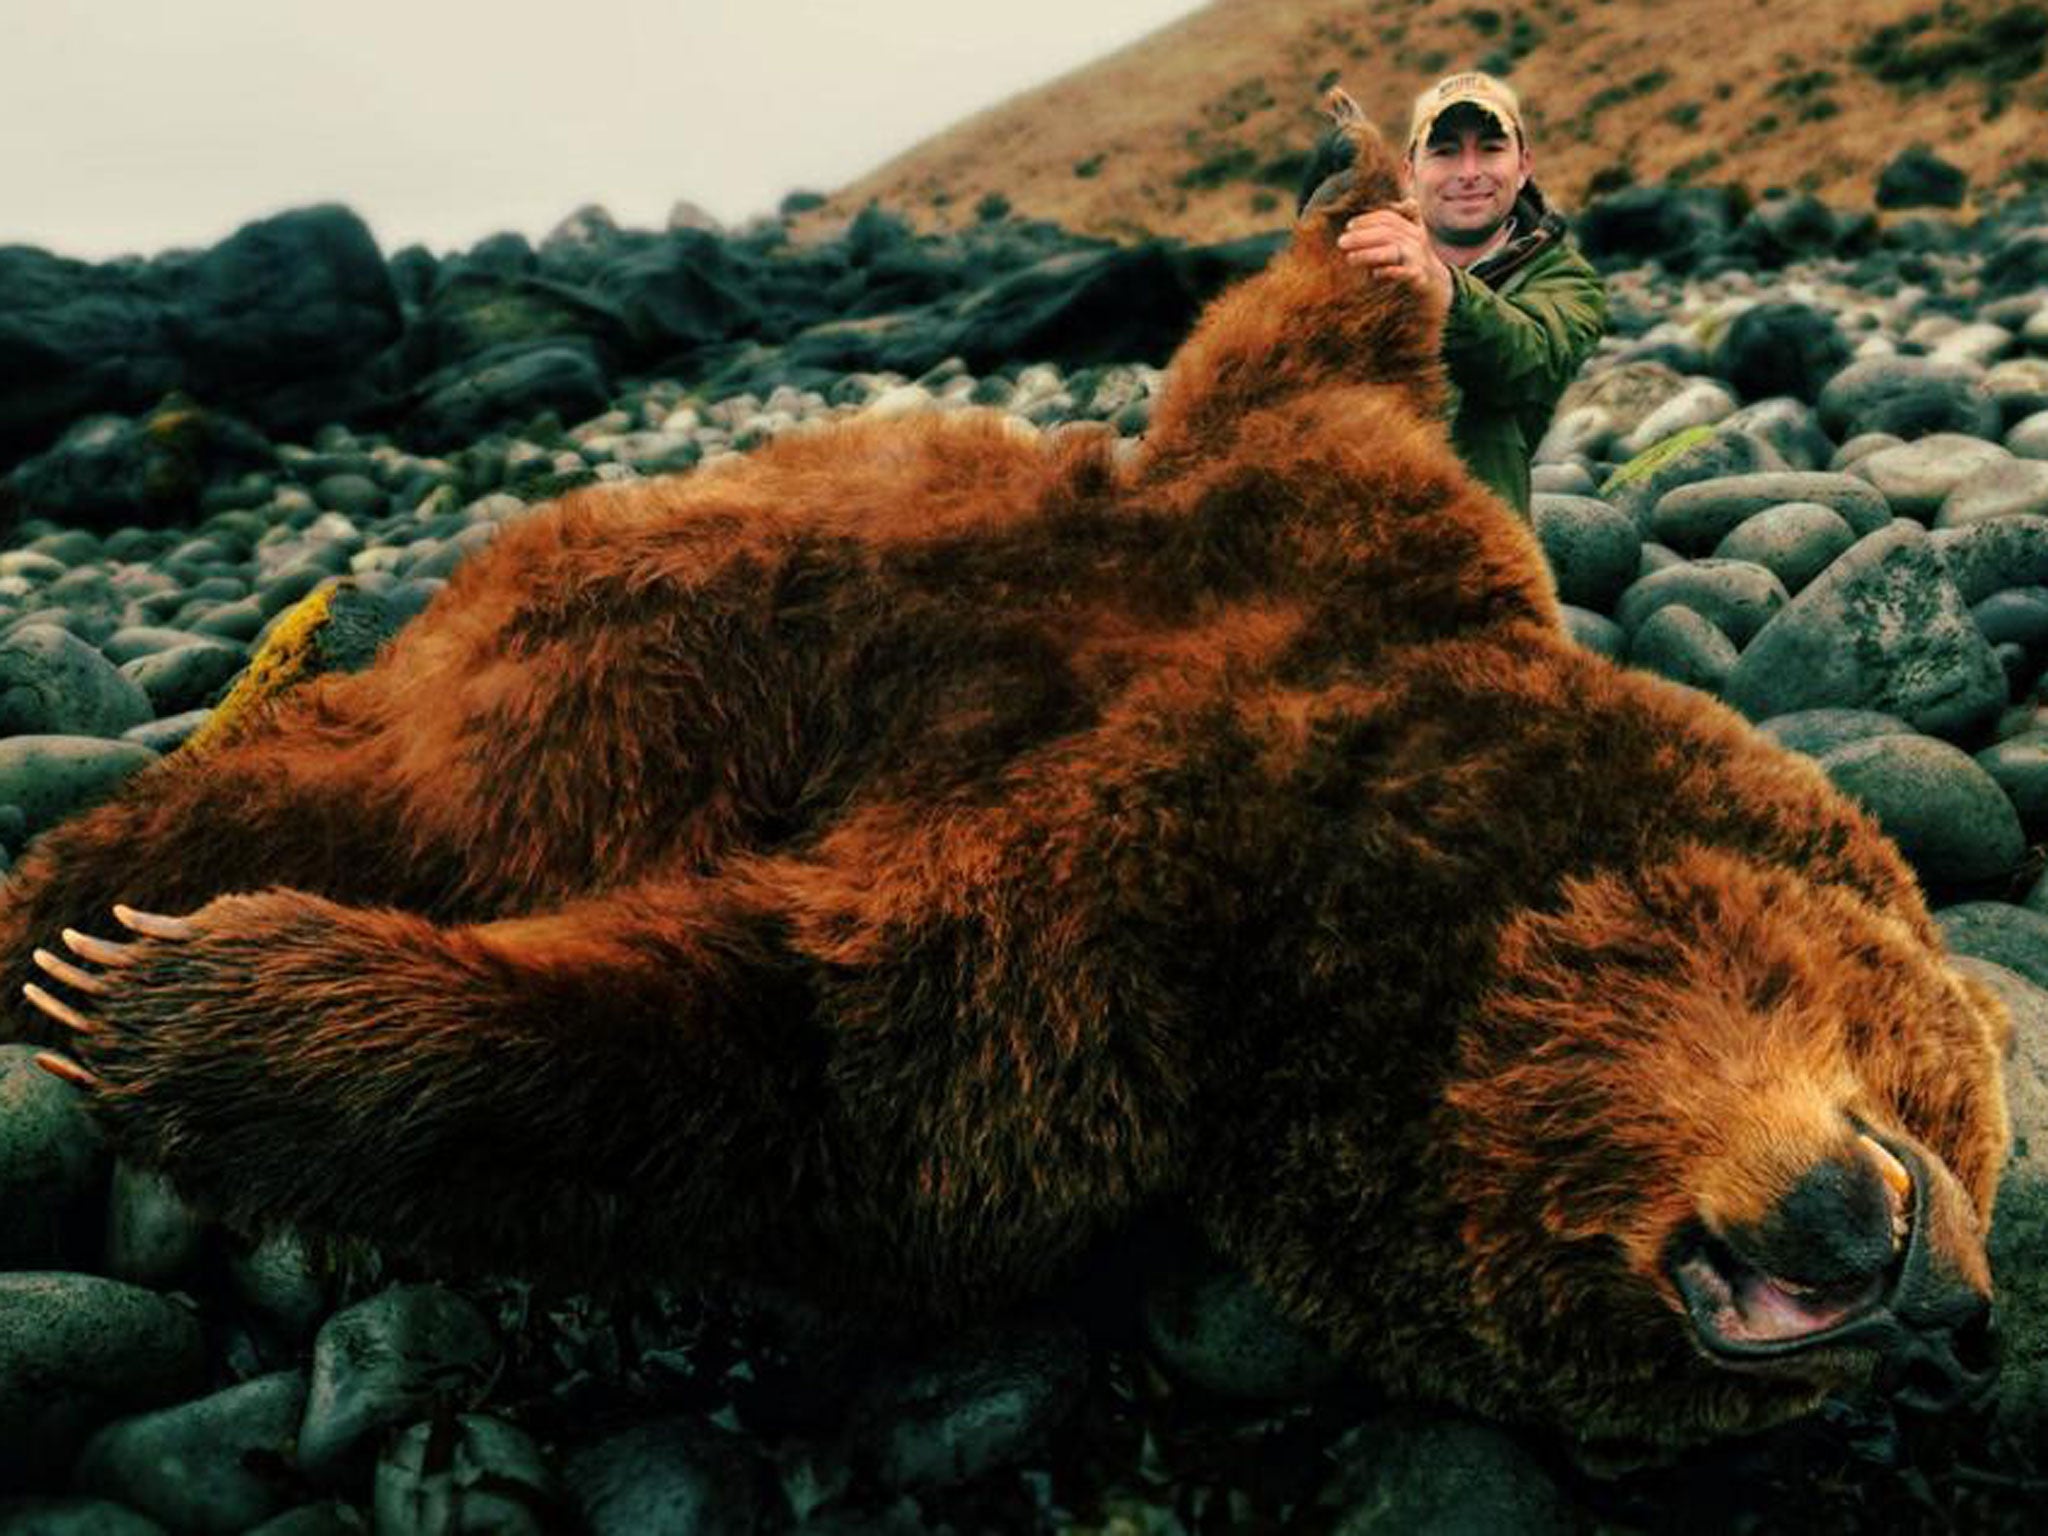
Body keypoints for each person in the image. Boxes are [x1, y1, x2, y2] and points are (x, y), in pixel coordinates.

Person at [1302, 72, 1608, 518]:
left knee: (1482, 402)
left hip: (1465, 536)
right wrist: (1320, 243)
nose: (1469, 173)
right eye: (1444, 151)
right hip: (1334, 513)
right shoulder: (1367, 243)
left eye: (1490, 148)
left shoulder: (1567, 279)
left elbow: (1533, 362)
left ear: (1523, 166)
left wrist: (1439, 285)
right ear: (1409, 172)